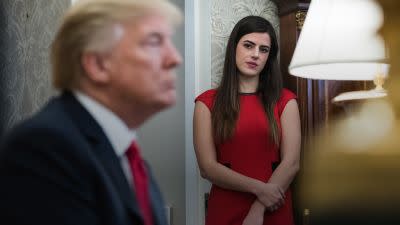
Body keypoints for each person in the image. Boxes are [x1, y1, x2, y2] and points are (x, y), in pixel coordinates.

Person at [0, 0, 182, 225]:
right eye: (154, 41)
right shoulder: (45, 147)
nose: (175, 58)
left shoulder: (133, 160)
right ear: (97, 64)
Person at [193, 15, 301, 225]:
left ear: (269, 57)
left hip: (274, 204)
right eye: (248, 45)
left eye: (263, 50)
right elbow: (207, 167)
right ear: (234, 47)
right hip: (226, 207)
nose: (255, 55)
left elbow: (292, 163)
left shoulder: (285, 101)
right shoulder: (206, 103)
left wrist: (258, 207)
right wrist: (261, 189)